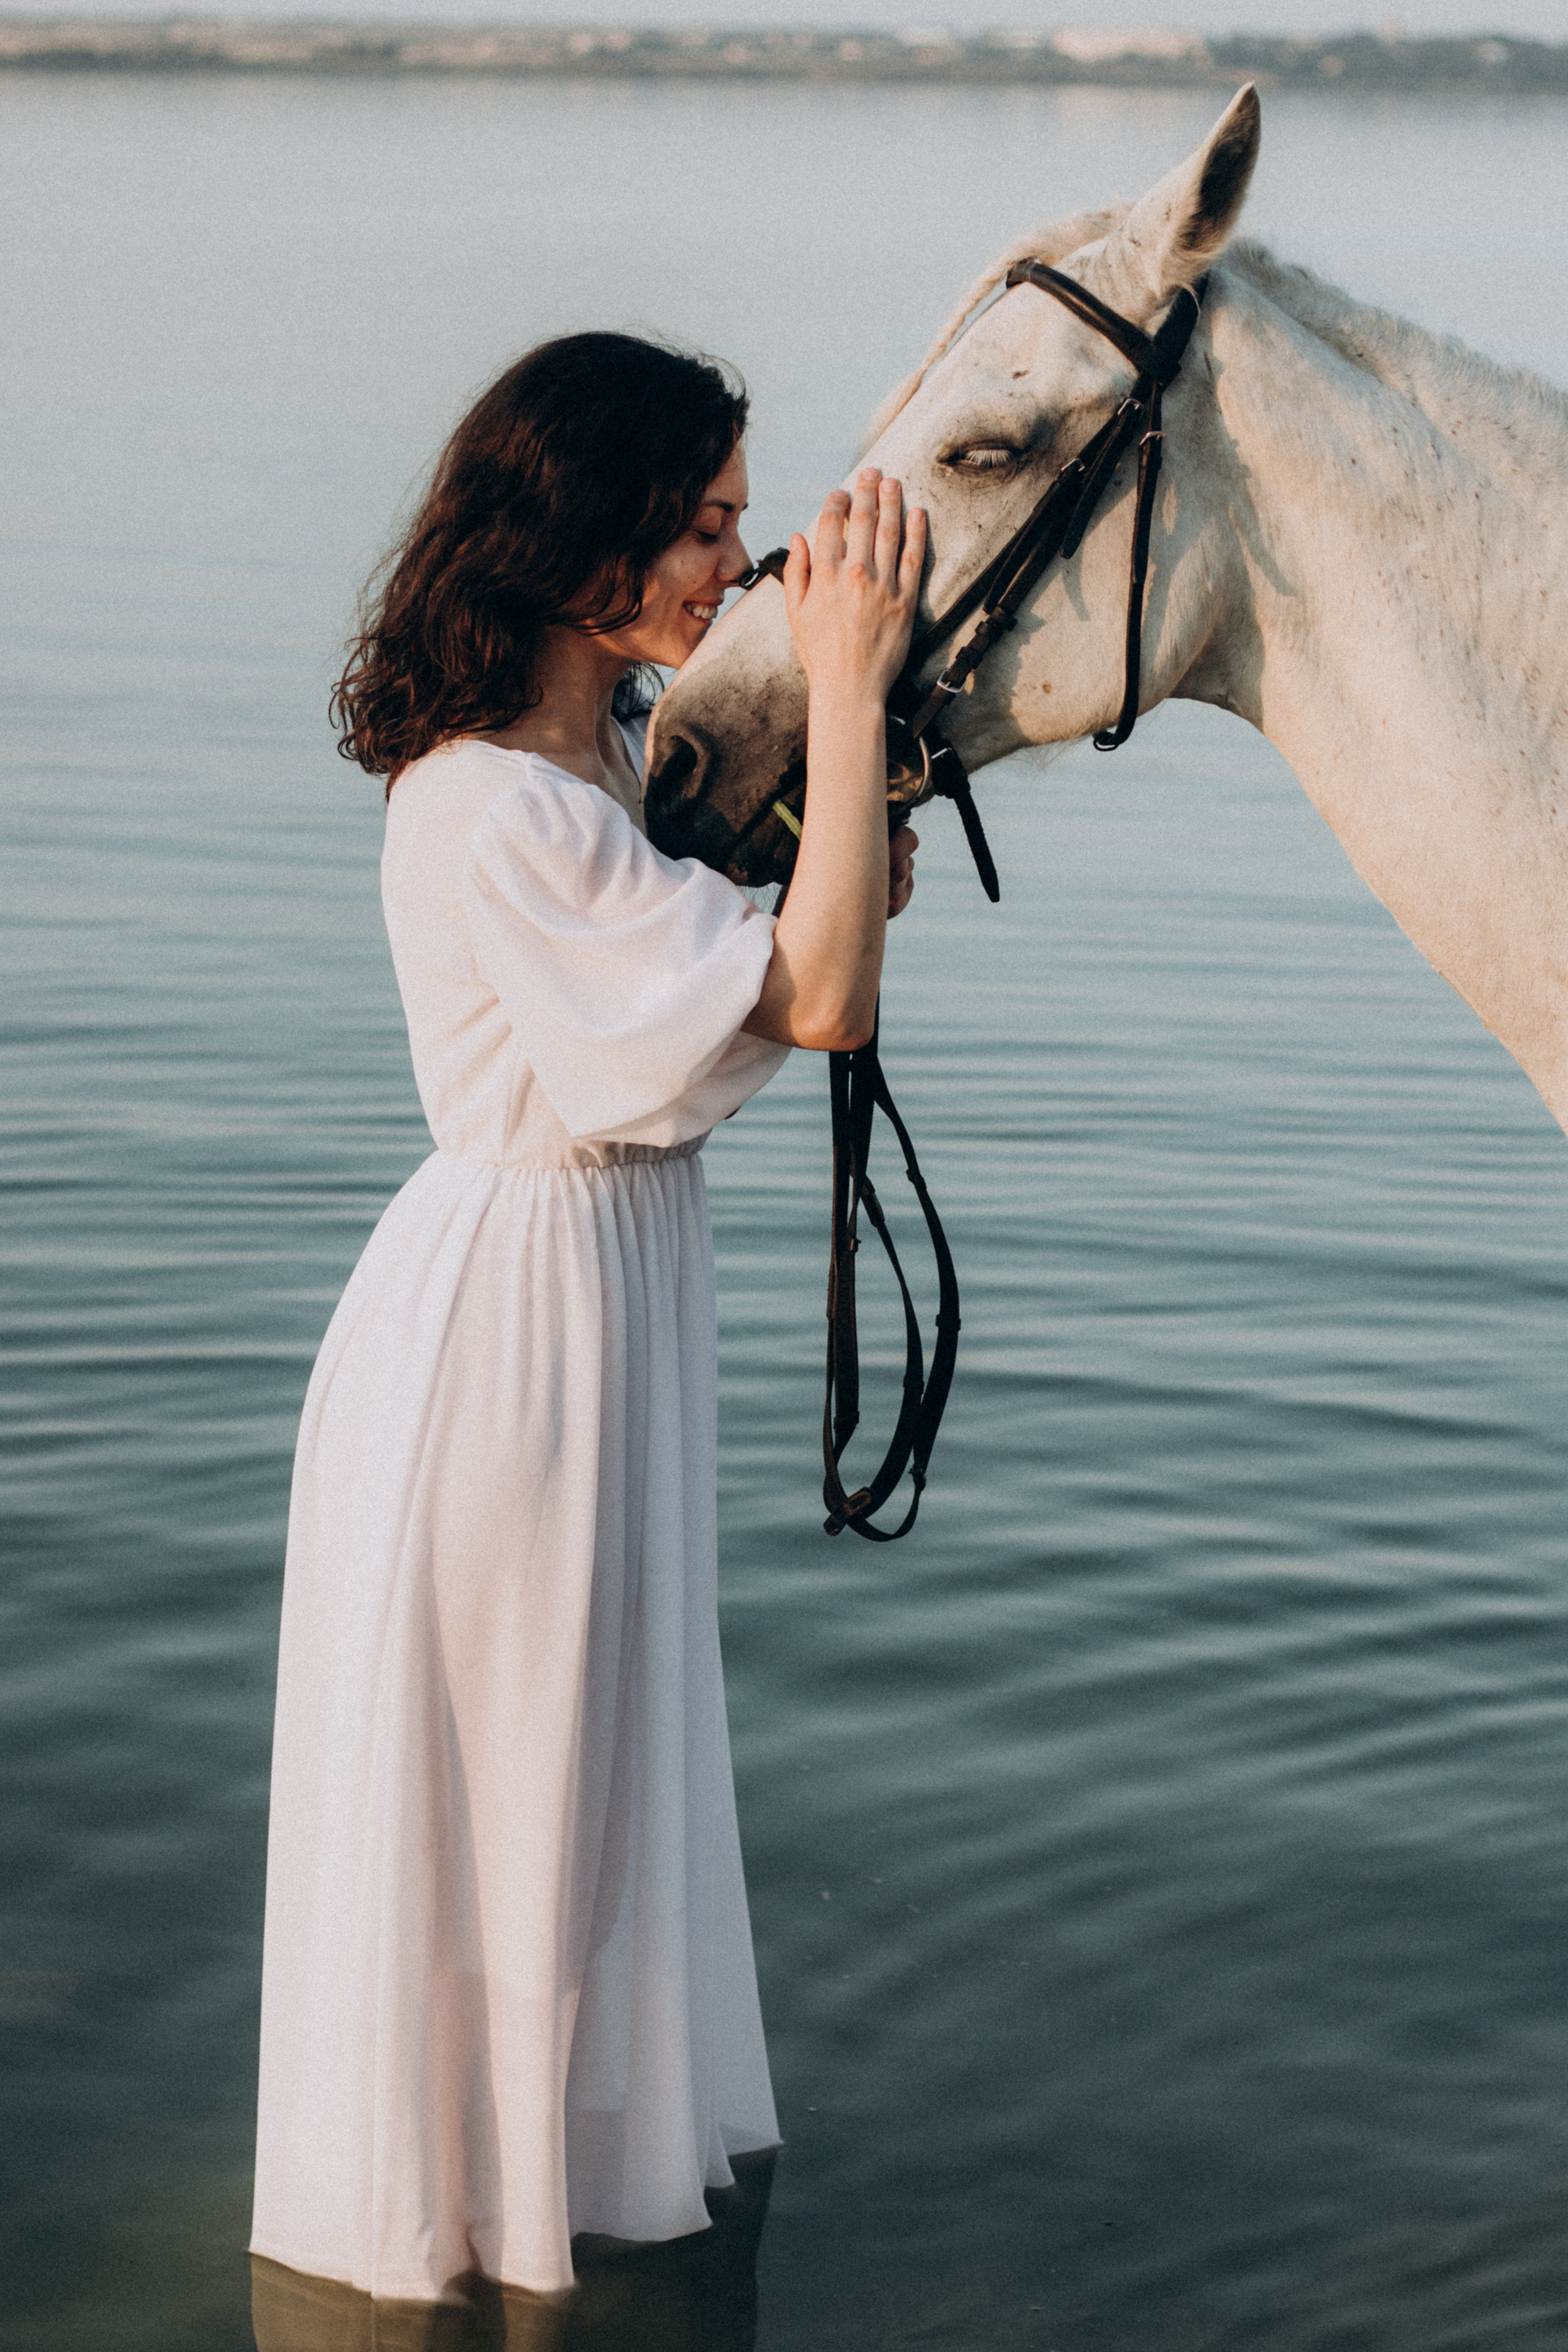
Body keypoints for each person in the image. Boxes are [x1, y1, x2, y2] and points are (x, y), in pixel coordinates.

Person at [249, 330, 923, 2311]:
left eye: (739, 520)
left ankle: (543, 2186)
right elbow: (816, 1005)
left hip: (588, 1309)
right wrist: (856, 676)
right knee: (516, 1774)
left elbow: (794, 958)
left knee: (583, 1767)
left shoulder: (602, 772)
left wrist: (849, 769)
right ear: (590, 533)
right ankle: (475, 2223)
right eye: (709, 522)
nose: (743, 560)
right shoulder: (493, 810)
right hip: (507, 1351)